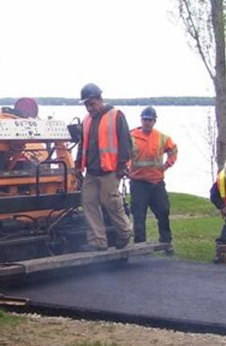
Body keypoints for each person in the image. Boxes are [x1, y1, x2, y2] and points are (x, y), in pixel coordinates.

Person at [75, 83, 133, 251]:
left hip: (109, 170)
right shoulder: (86, 120)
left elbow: (125, 142)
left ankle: (124, 233)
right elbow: (82, 144)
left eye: (91, 104)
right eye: (86, 105)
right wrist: (78, 165)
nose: (89, 108)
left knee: (112, 203)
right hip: (91, 171)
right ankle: (98, 241)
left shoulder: (116, 115)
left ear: (100, 100)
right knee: (88, 203)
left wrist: (122, 166)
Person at [129, 106, 177, 252]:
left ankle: (166, 242)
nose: (147, 122)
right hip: (138, 183)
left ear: (154, 121)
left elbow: (173, 150)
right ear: (141, 120)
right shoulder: (131, 136)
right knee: (138, 215)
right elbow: (123, 153)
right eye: (145, 119)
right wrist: (125, 167)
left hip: (156, 183)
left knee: (163, 212)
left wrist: (167, 165)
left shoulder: (162, 138)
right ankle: (140, 245)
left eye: (150, 120)